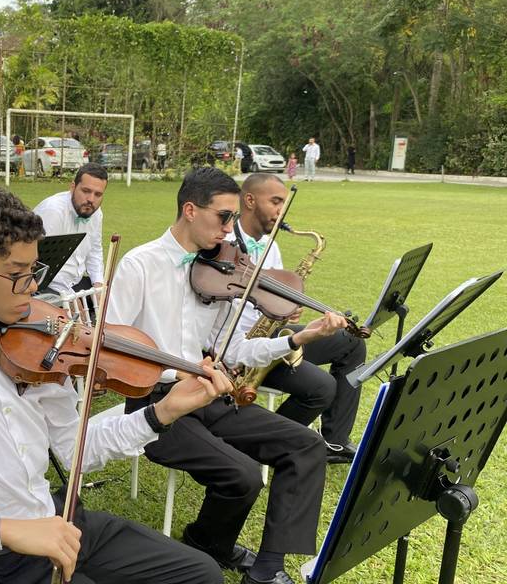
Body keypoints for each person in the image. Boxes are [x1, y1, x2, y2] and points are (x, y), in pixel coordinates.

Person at [0, 184, 234, 584]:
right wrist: (4, 529)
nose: (32, 287)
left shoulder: (38, 347)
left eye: (34, 271)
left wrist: (163, 412)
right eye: (16, 275)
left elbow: (75, 450)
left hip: (62, 520)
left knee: (200, 573)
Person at [106, 167, 349, 584]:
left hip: (209, 391)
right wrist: (175, 369)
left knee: (305, 445)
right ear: (189, 210)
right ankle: (208, 540)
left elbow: (234, 351)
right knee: (243, 475)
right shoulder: (139, 265)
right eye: (223, 217)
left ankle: (268, 569)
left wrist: (297, 339)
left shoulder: (219, 273)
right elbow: (111, 347)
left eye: (233, 218)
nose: (230, 229)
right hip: (157, 403)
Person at [231, 174, 367, 463]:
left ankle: (336, 442)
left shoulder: (272, 245)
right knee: (321, 387)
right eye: (276, 202)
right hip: (240, 347)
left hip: (272, 333)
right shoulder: (224, 243)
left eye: (283, 203)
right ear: (250, 200)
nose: (281, 211)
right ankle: (261, 445)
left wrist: (287, 308)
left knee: (351, 343)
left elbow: (276, 301)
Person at [33, 162, 107, 296]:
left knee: (110, 300)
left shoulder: (96, 212)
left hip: (74, 283)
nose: (91, 199)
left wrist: (98, 285)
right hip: (45, 286)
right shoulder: (53, 211)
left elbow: (95, 251)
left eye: (98, 194)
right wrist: (69, 297)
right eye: (86, 191)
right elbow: (41, 266)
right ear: (73, 187)